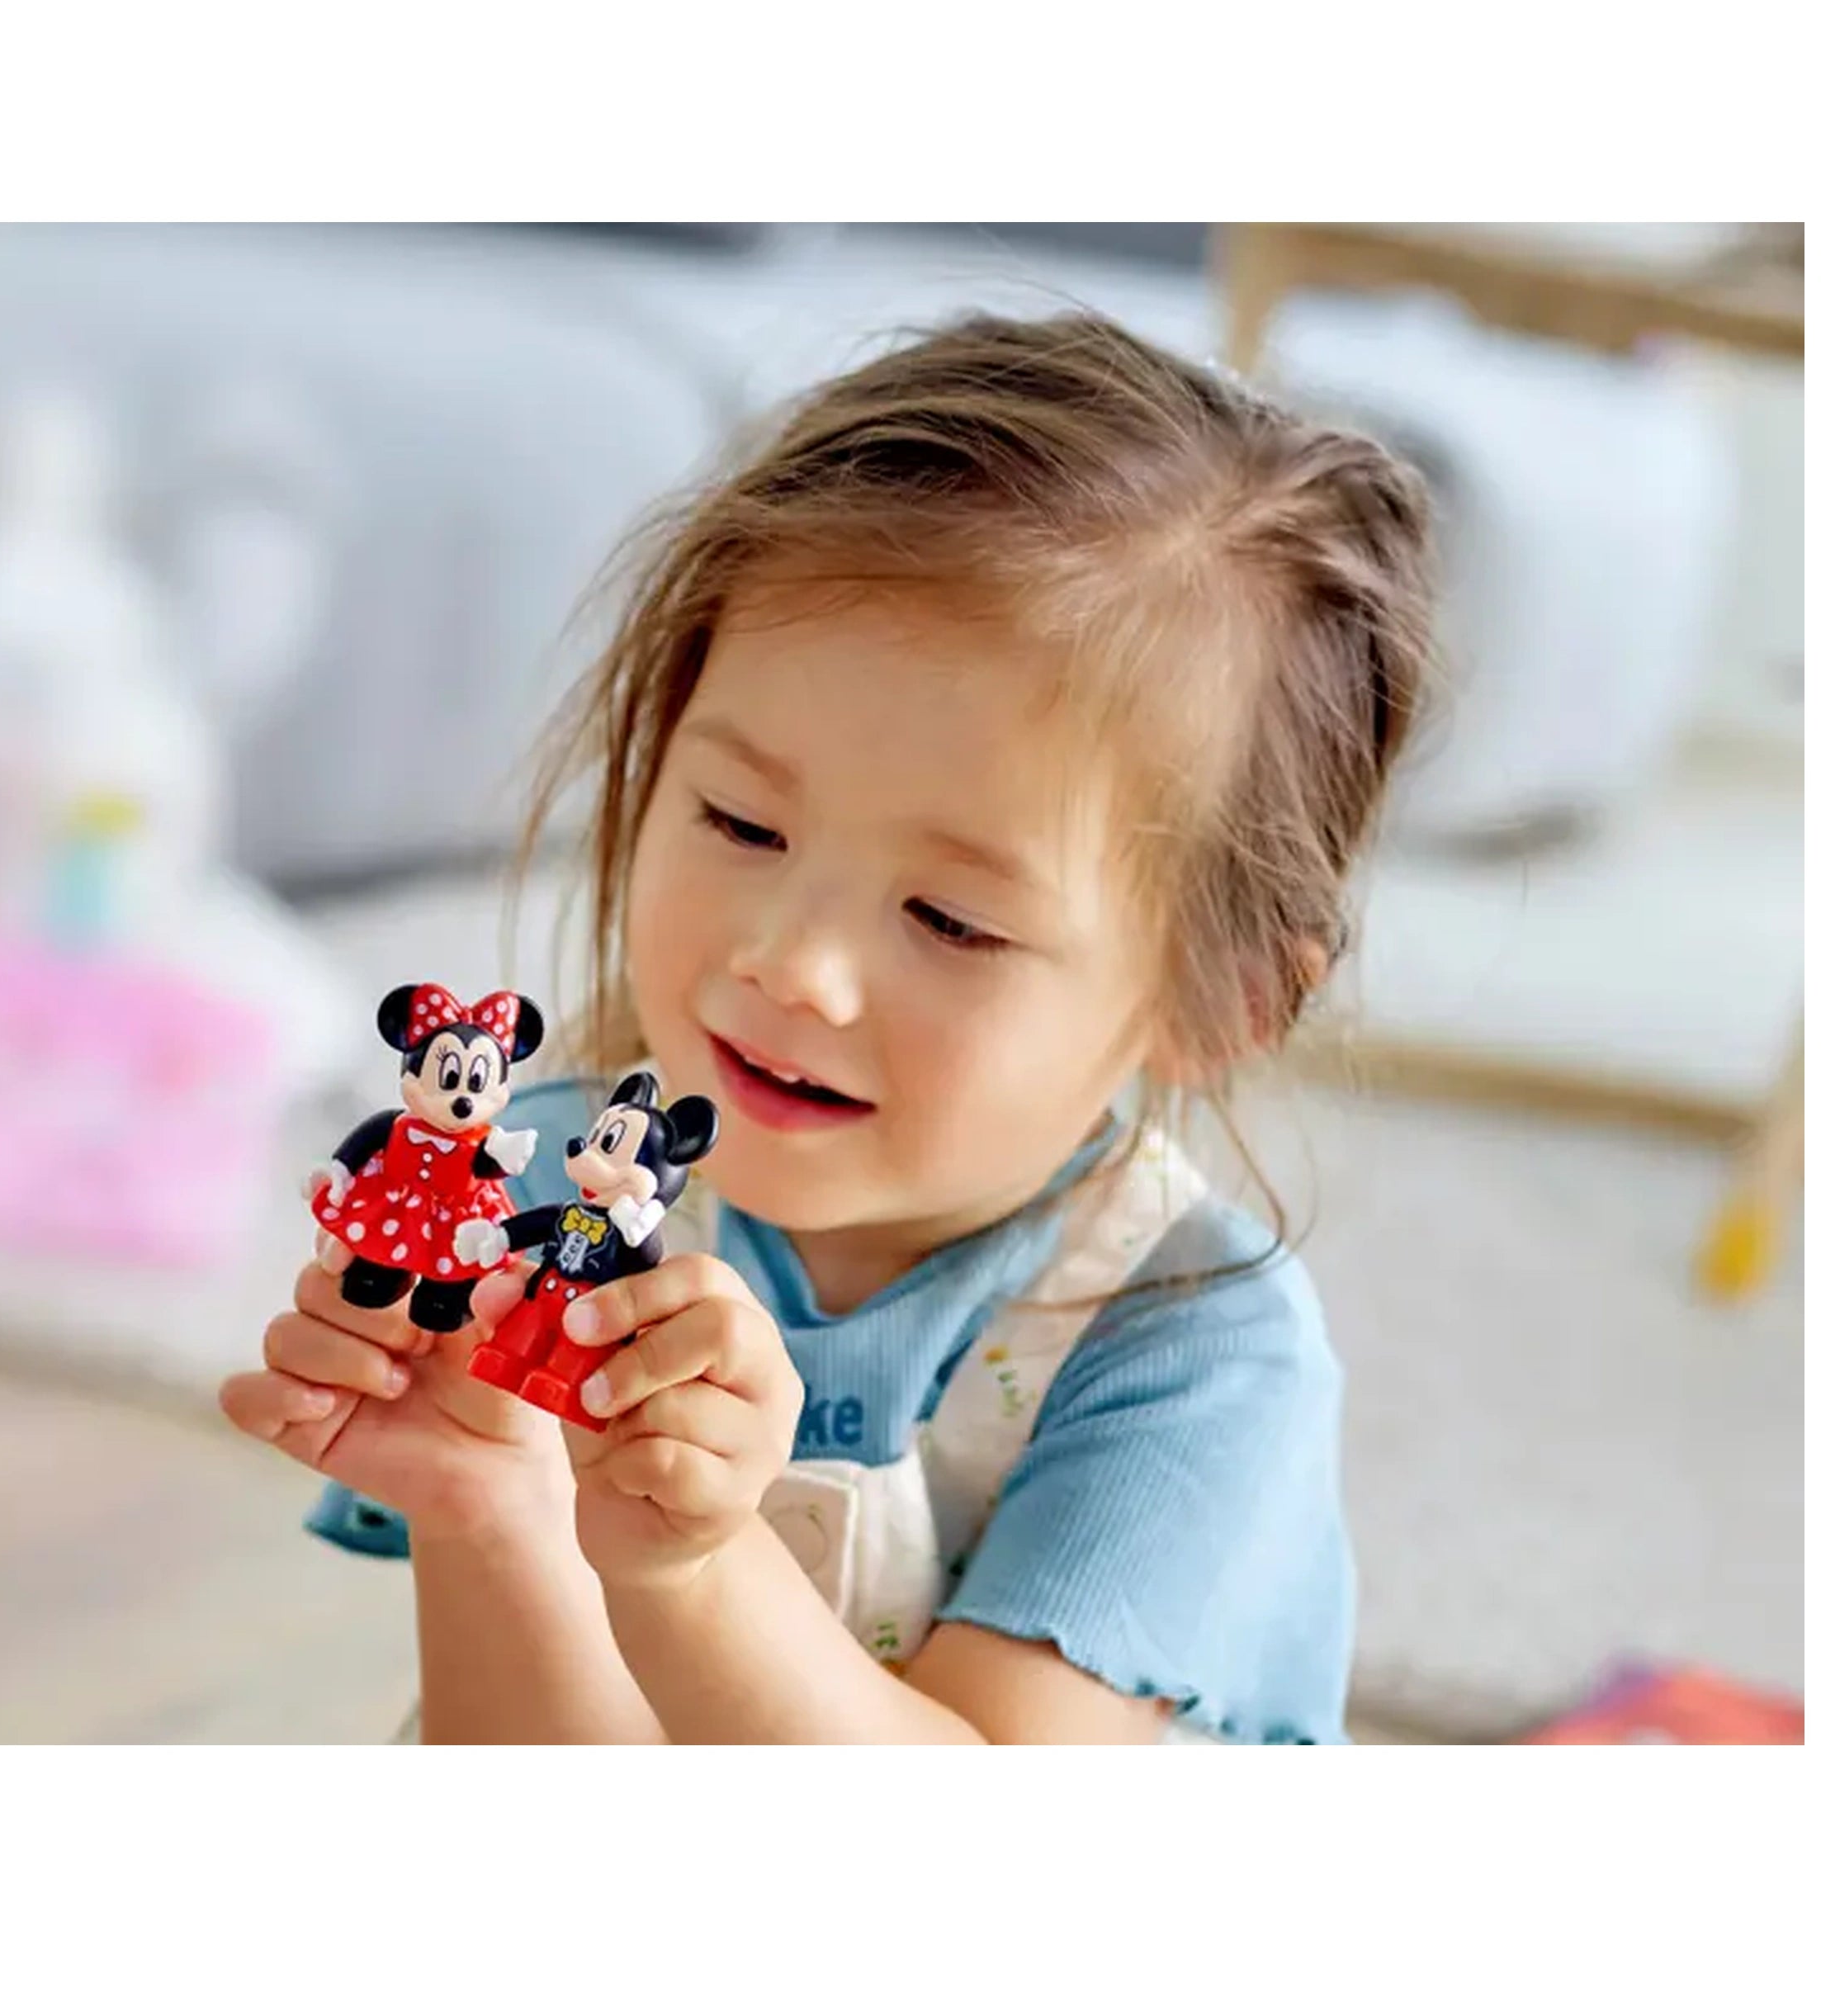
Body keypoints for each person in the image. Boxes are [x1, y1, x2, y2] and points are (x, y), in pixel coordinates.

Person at [220, 311, 1434, 1744]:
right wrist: (491, 1510)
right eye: (741, 821)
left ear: (1218, 1000)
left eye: (952, 920)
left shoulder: (1191, 1351)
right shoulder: (550, 1200)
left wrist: (695, 1564)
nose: (793, 966)